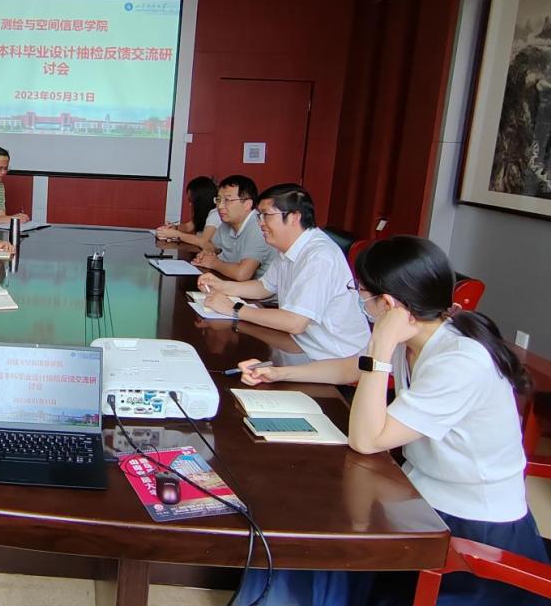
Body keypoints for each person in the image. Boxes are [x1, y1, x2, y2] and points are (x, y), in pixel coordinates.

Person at [232, 235, 547, 606]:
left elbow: (366, 440)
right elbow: (355, 368)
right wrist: (279, 373)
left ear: (388, 303)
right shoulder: (419, 335)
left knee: (323, 528)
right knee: (307, 513)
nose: (360, 301)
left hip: (470, 530)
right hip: (416, 493)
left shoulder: (460, 361)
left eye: (361, 292)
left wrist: (381, 347)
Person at [197, 183, 369, 360]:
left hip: (334, 356)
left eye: (267, 215)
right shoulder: (289, 246)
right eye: (260, 216)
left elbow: (295, 322)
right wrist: (221, 286)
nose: (260, 223)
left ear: (294, 217)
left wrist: (234, 309)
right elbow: (264, 287)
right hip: (300, 345)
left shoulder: (319, 256)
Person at [192, 174, 273, 279]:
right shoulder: (228, 223)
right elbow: (212, 245)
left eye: (227, 200)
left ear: (247, 204)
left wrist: (213, 263)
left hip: (256, 287)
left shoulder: (259, 228)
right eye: (218, 200)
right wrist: (206, 253)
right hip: (231, 282)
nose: (220, 206)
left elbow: (242, 274)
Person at [155, 175, 220, 248]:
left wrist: (176, 234)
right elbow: (188, 227)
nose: (190, 204)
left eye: (191, 200)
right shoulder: (204, 213)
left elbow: (203, 242)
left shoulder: (215, 215)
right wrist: (174, 227)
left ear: (202, 200)